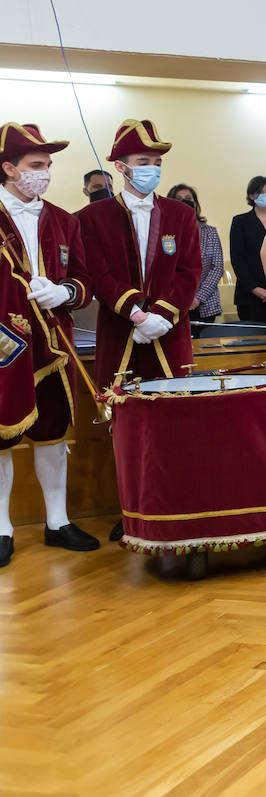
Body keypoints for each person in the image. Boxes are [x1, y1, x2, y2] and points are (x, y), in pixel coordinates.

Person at [0, 122, 101, 562]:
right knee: (1, 435)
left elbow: (85, 280)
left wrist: (65, 292)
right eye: (36, 165)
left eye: (47, 165)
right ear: (9, 168)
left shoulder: (64, 219)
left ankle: (57, 521)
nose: (45, 173)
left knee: (53, 433)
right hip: (4, 346)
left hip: (54, 344)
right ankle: (1, 528)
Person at [77, 119, 202, 390]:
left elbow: (190, 271)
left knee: (175, 404)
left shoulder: (181, 214)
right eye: (143, 162)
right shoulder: (93, 217)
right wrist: (137, 314)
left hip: (169, 328)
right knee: (121, 403)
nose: (153, 169)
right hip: (119, 327)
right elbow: (98, 274)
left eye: (158, 163)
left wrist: (162, 315)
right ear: (120, 167)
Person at [167, 184, 224, 324]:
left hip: (205, 302)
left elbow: (217, 268)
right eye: (179, 199)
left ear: (196, 204)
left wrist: (198, 298)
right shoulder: (165, 232)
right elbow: (164, 267)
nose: (184, 202)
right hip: (173, 302)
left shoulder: (210, 232)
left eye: (188, 198)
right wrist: (180, 296)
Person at [228, 175, 266, 323]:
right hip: (249, 294)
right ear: (251, 196)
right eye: (260, 192)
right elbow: (237, 259)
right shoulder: (240, 221)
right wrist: (254, 288)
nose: (265, 195)